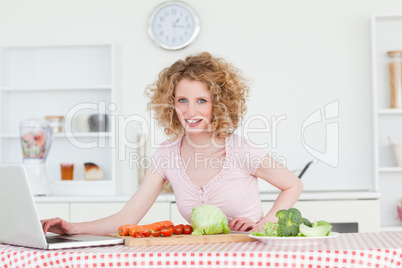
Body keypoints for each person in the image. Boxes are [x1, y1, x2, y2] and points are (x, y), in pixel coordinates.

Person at [41, 52, 303, 235]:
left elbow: (293, 184)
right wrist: (72, 227)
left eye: (202, 100)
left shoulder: (241, 150)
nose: (190, 111)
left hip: (250, 255)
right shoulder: (167, 155)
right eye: (182, 100)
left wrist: (263, 225)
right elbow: (127, 218)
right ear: (171, 103)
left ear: (219, 103)